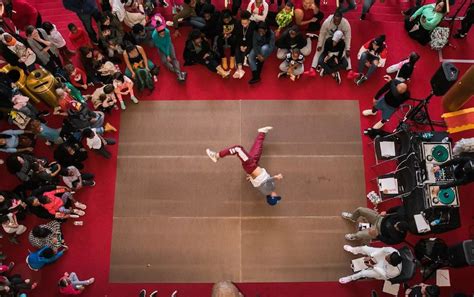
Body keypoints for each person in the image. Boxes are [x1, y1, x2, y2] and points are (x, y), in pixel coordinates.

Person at [206, 126, 284, 205]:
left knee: (237, 149)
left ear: (272, 197)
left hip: (251, 166)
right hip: (253, 166)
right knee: (257, 149)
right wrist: (252, 177)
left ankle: (216, 156)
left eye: (276, 197)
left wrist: (276, 177)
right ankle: (262, 133)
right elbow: (258, 184)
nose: (277, 195)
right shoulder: (265, 191)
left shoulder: (270, 189)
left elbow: (267, 181)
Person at [341, 206, 409, 244]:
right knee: (360, 210)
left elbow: (388, 242)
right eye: (396, 224)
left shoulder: (399, 238)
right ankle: (353, 218)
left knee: (359, 234)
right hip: (379, 218)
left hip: (378, 231)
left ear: (401, 231)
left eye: (396, 227)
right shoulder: (402, 215)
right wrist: (386, 212)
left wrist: (377, 235)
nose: (395, 225)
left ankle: (354, 237)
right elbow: (397, 208)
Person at [233, 10, 255, 79]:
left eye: (246, 23)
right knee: (237, 50)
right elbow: (237, 36)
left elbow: (253, 38)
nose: (244, 25)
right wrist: (240, 45)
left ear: (249, 20)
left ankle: (239, 68)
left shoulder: (253, 25)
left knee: (244, 53)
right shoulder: (238, 23)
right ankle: (240, 68)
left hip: (249, 43)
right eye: (243, 23)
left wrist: (247, 46)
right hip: (240, 42)